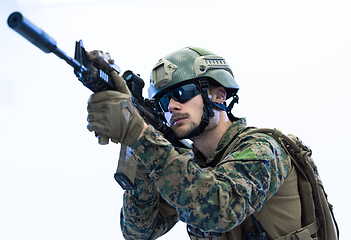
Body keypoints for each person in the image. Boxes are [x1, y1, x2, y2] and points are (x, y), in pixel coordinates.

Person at [86, 47, 304, 240]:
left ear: (219, 95)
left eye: (181, 93)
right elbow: (139, 232)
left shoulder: (262, 149)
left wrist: (140, 135)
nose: (171, 106)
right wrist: (144, 161)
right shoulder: (192, 166)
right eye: (163, 100)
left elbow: (220, 209)